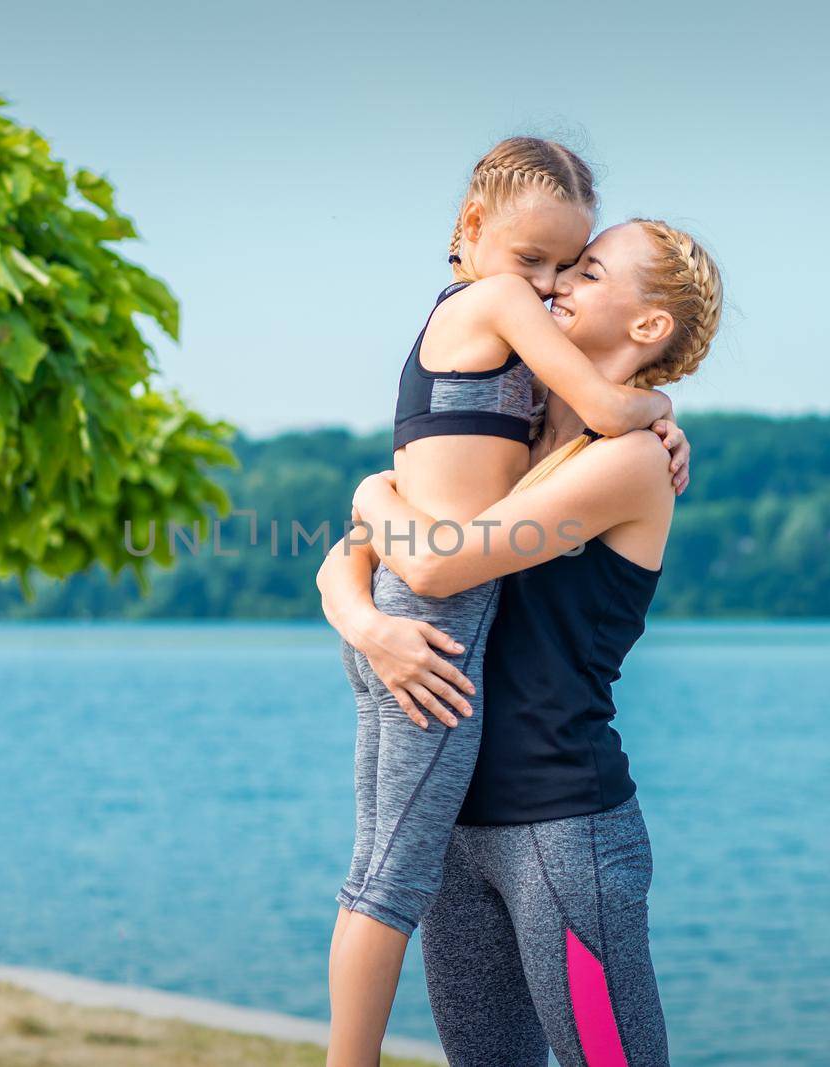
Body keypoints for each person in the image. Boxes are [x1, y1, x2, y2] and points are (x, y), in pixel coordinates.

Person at [319, 218, 723, 1066]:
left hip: (564, 835)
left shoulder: (633, 461)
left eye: (588, 271)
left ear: (648, 326)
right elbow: (340, 571)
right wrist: (369, 627)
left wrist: (370, 492)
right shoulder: (510, 427)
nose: (557, 284)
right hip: (456, 834)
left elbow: (436, 564)